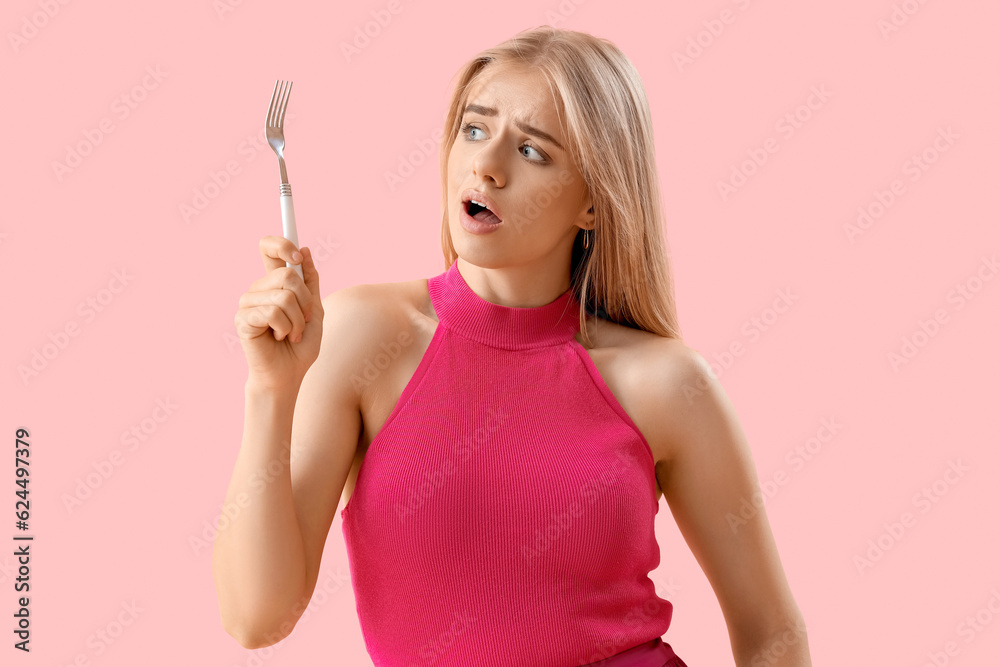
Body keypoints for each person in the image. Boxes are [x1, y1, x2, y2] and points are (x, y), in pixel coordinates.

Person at [214, 26, 812, 667]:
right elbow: (257, 618)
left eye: (532, 151)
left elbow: (772, 635)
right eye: (474, 130)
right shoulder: (363, 336)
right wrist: (271, 390)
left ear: (591, 200)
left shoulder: (666, 383)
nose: (486, 165)